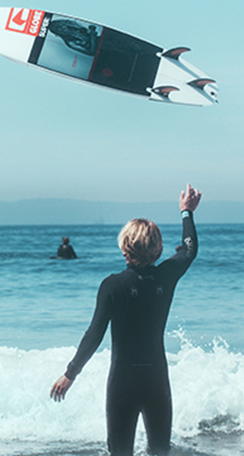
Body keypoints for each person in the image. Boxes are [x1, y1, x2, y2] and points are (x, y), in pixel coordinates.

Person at [50, 184, 202, 456]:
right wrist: (186, 212)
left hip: (123, 381)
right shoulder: (166, 277)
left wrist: (70, 373)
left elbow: (94, 335)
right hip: (156, 378)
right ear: (157, 249)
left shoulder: (112, 285)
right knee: (159, 452)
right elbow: (189, 251)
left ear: (124, 247)